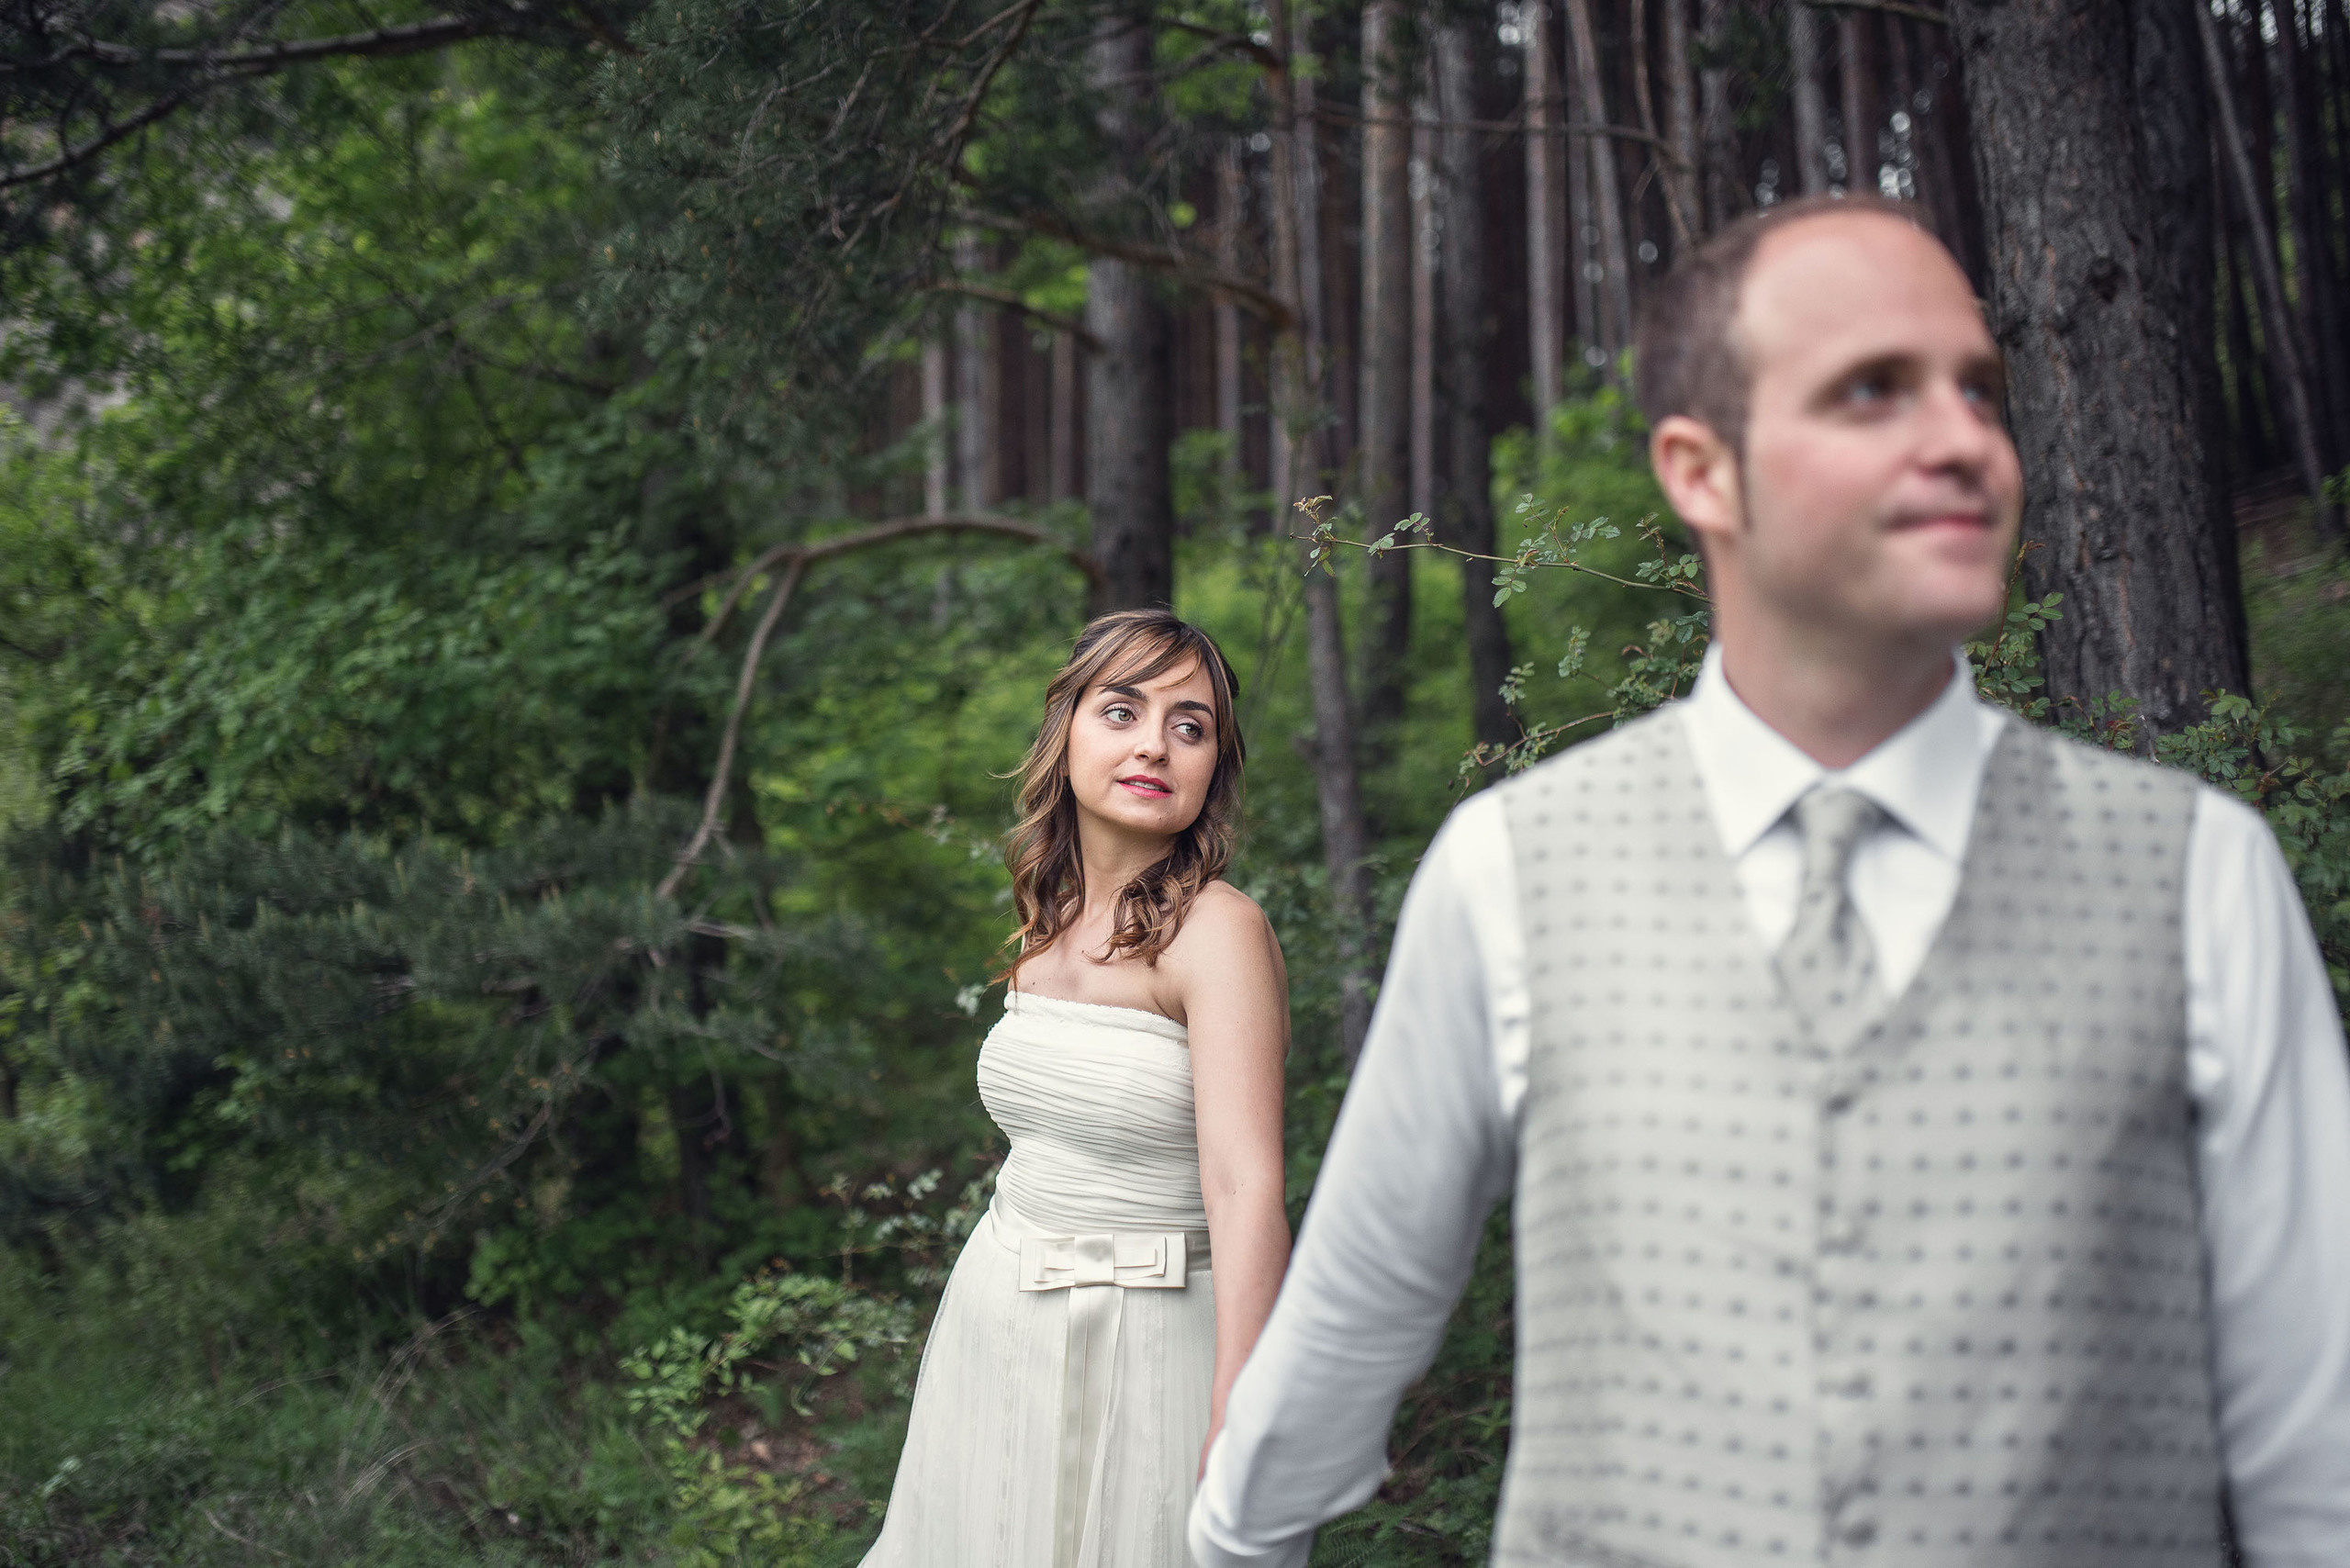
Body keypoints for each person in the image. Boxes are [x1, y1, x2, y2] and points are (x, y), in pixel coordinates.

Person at [1190, 196, 2350, 1567]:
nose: (1967, 441)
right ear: (1702, 472)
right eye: (1874, 390)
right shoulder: (1508, 874)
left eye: (1981, 390)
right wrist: (1232, 1544)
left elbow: (2315, 1445)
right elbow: (1354, 1316)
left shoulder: (2199, 877)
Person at [860, 609, 1290, 1568]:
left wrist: (1243, 1407)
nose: (1154, 744)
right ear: (1066, 732)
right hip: (997, 1317)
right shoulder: (1047, 914)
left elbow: (1246, 1184)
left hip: (1152, 1341)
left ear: (1214, 767)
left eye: (1190, 725)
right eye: (1123, 709)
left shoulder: (1220, 931)